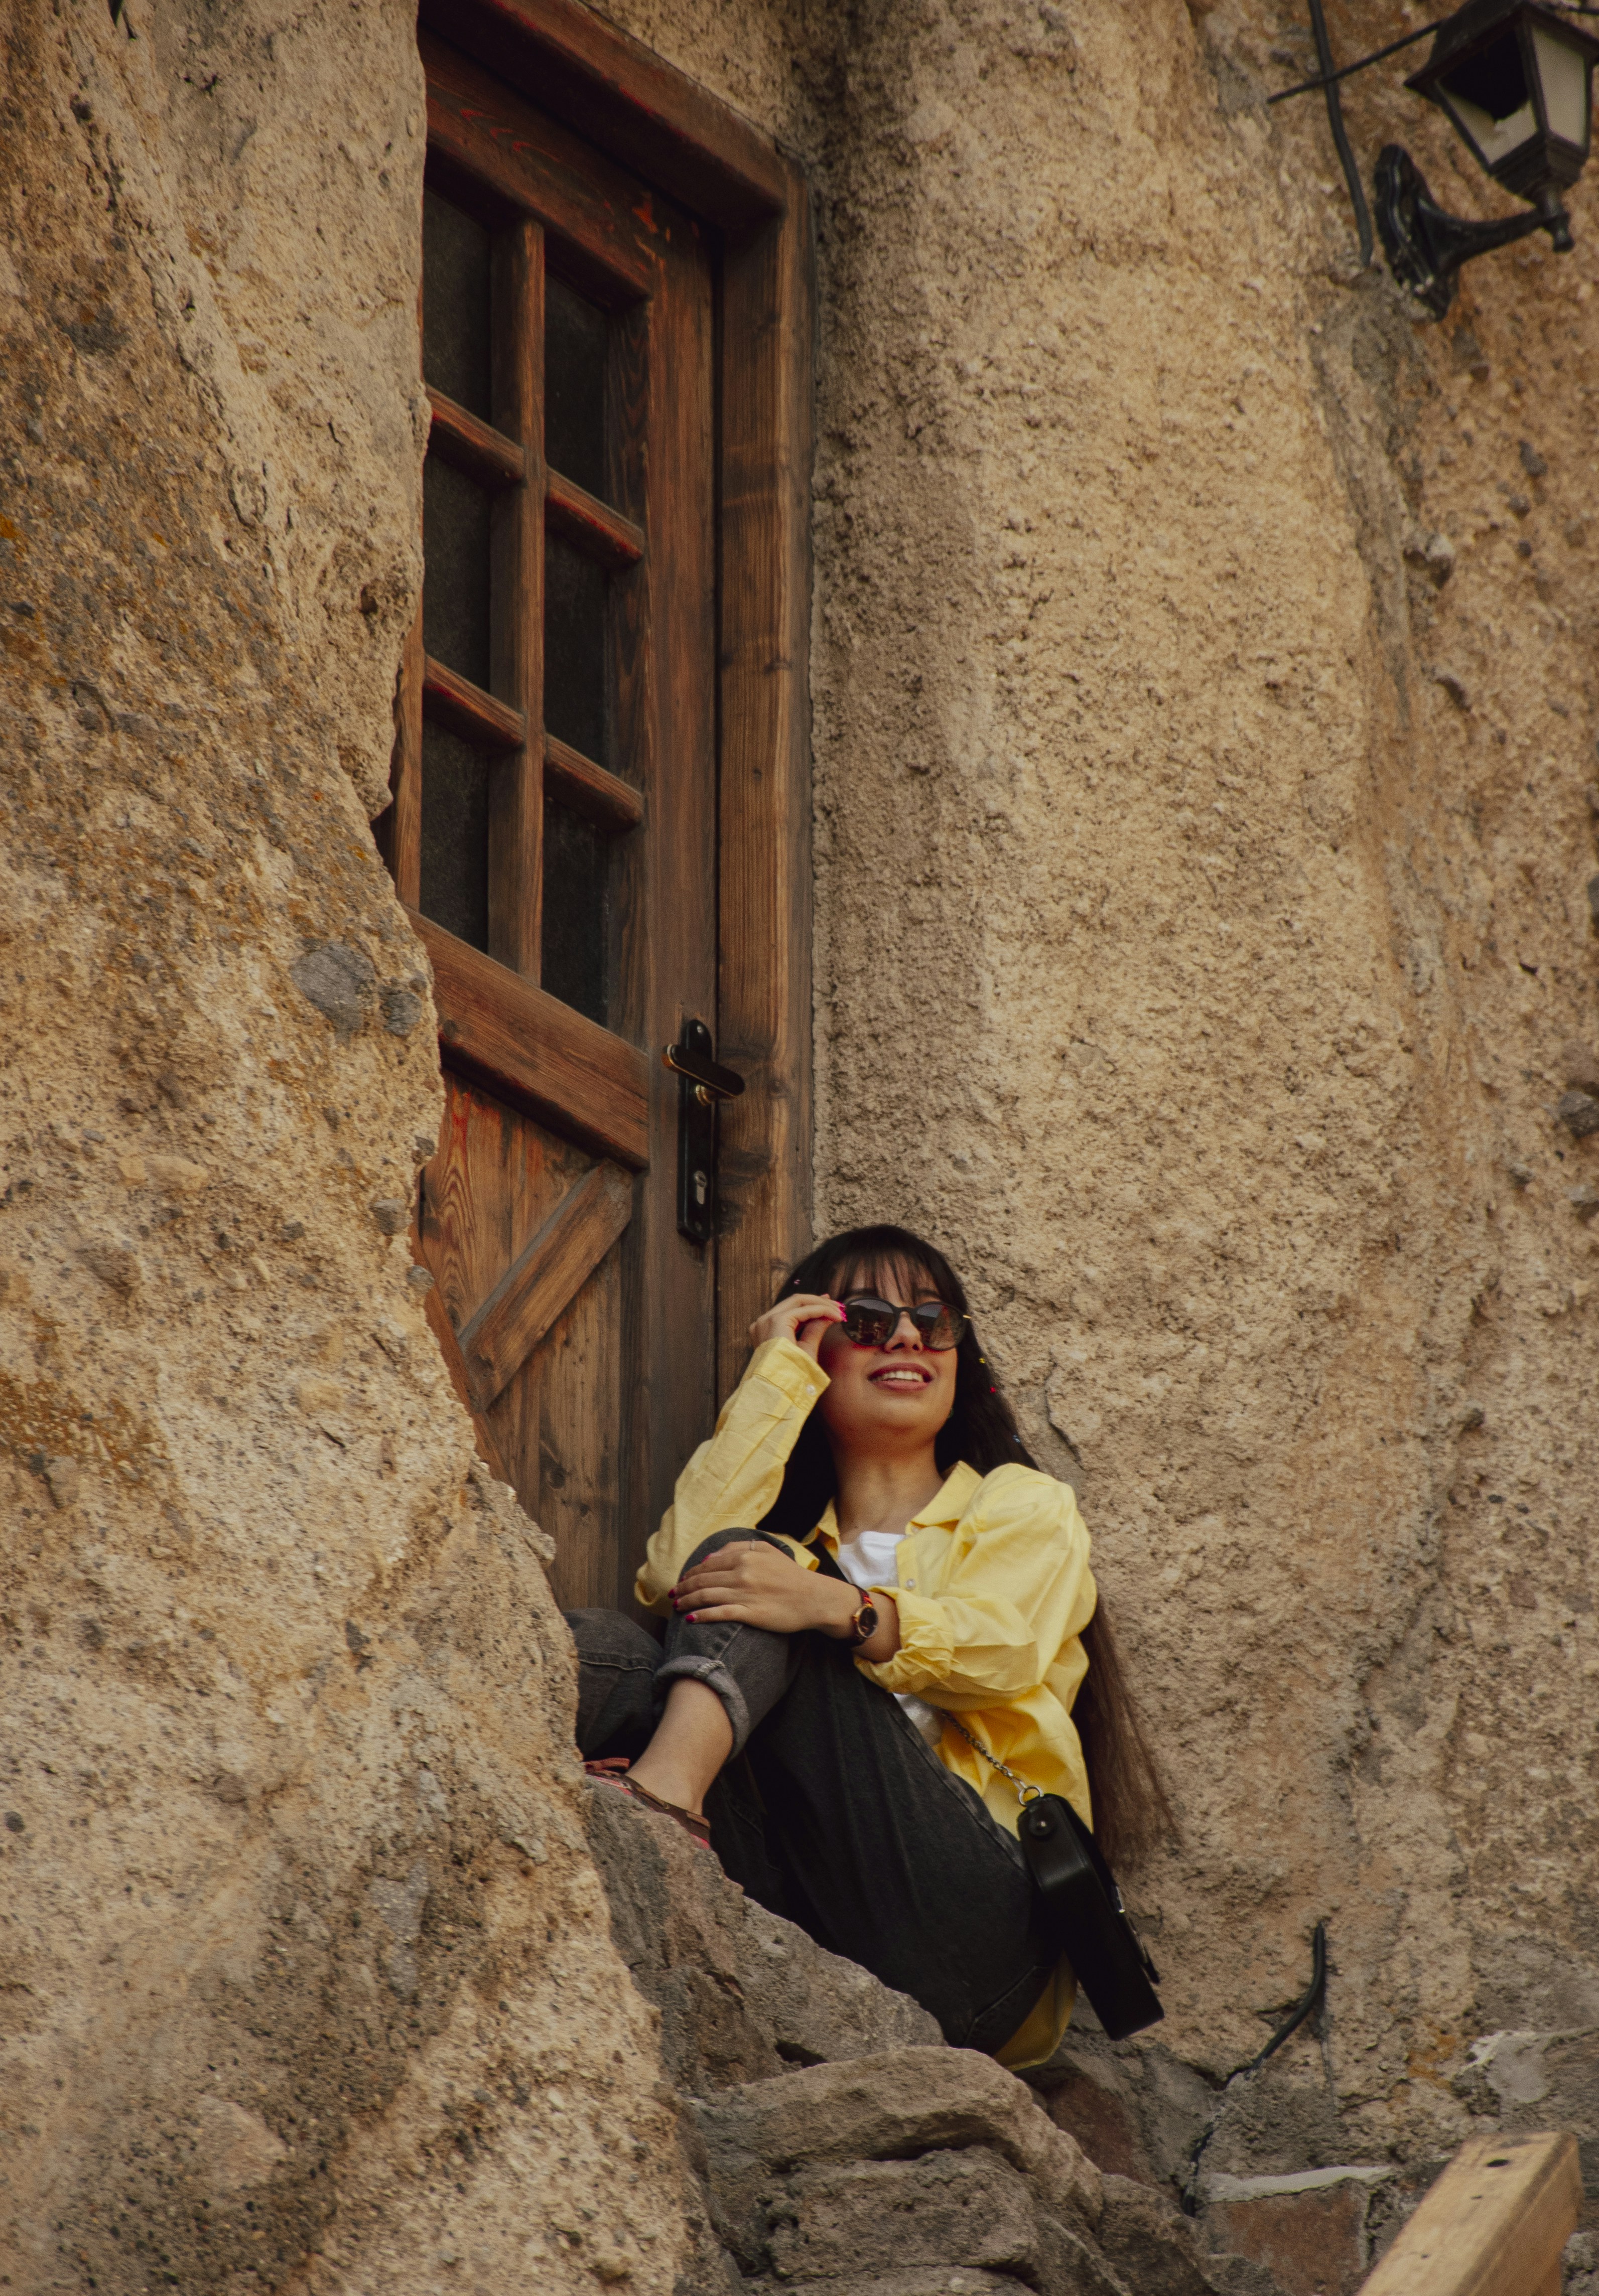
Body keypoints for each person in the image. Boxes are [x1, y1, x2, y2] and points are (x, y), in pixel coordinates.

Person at [564, 1223, 1167, 2069]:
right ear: (821, 1350)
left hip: (977, 1941)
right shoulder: (789, 1543)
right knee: (602, 1646)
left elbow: (1002, 1649)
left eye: (934, 1319)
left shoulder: (1018, 1505)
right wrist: (778, 1376)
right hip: (814, 1906)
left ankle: (657, 1808)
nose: (910, 1336)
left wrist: (833, 1605)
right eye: (869, 1319)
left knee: (761, 1575)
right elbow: (674, 1577)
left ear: (962, 1357)